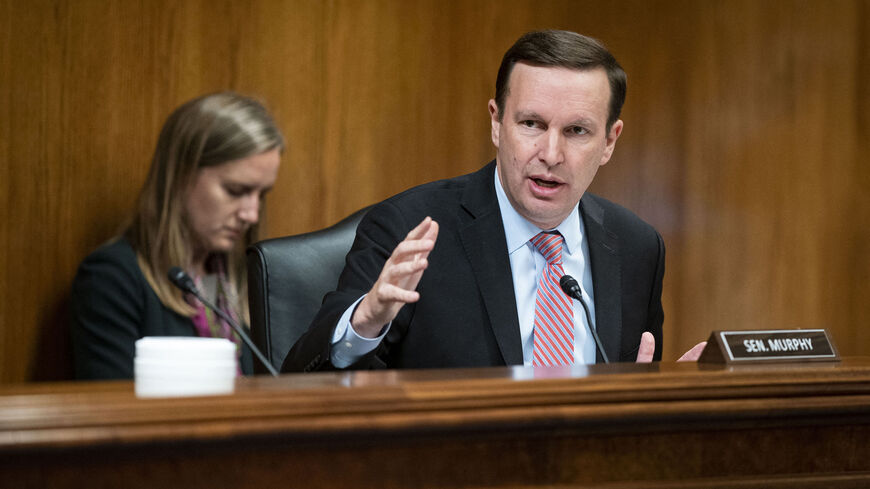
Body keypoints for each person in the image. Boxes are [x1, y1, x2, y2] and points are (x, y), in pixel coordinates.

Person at [282, 30, 703, 373]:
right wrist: (366, 322)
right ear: (497, 123)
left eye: (576, 131)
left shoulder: (636, 247)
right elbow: (305, 381)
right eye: (531, 123)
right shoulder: (408, 228)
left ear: (610, 141)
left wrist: (667, 396)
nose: (551, 154)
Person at [71, 92, 284, 379]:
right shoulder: (111, 279)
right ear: (180, 175)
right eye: (236, 191)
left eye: (262, 195)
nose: (251, 215)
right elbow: (115, 413)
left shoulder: (248, 279)